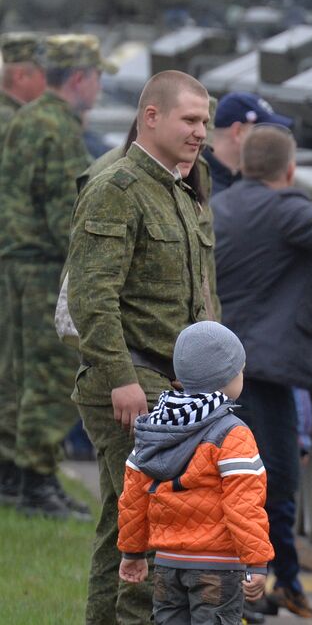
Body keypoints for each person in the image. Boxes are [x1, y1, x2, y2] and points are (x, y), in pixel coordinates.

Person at [69, 70, 216, 625]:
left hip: (175, 385)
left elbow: (202, 296)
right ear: (150, 116)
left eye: (204, 121)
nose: (201, 131)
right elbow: (92, 297)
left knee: (123, 530)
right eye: (189, 119)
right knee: (155, 535)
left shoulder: (178, 189)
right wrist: (120, 378)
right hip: (135, 383)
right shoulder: (117, 190)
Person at [212, 125, 312, 618]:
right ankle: (252, 590)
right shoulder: (283, 209)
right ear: (290, 169)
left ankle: (266, 582)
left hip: (229, 367)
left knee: (235, 478)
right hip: (266, 373)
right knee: (269, 480)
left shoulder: (223, 205)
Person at [0, 34, 107, 519]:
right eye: (98, 77)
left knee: (20, 373)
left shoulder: (27, 117)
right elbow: (68, 211)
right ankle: (38, 483)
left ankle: (21, 476)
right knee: (48, 376)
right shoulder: (59, 128)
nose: (100, 87)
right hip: (45, 265)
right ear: (81, 79)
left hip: (20, 263)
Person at [117, 321, 272, 623]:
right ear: (228, 378)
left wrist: (132, 553)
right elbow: (243, 507)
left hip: (167, 565)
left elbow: (133, 497)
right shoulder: (232, 434)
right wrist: (257, 562)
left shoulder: (155, 426)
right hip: (219, 566)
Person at [0, 31, 48, 504]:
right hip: (19, 263)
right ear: (21, 74)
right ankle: (22, 479)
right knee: (22, 372)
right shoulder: (14, 124)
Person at [204, 91, 294, 195]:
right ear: (238, 132)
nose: (272, 141)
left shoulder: (247, 181)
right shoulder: (195, 179)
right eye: (264, 132)